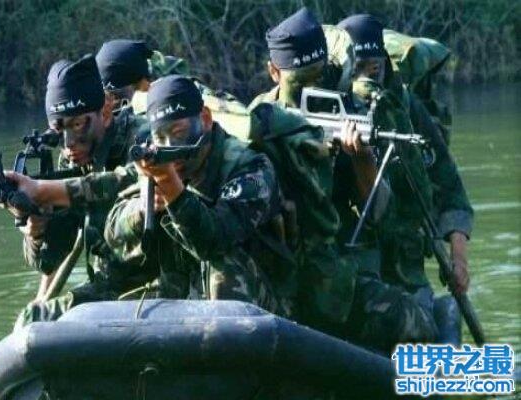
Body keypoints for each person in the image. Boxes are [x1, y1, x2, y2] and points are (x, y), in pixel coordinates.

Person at [251, 7, 437, 351]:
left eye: (320, 76)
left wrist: (361, 160)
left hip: (335, 271)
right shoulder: (258, 122)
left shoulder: (349, 112)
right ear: (274, 72)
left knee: (418, 323)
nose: (314, 88)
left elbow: (383, 218)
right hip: (278, 269)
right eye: (301, 82)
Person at [103, 75, 287, 314]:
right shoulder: (157, 162)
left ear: (205, 119)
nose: (170, 145)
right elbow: (112, 231)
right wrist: (142, 208)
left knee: (224, 268)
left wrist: (173, 191)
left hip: (261, 304)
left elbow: (214, 239)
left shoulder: (250, 167)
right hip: (183, 295)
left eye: (178, 132)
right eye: (160, 137)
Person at [337, 14, 473, 307]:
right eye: (357, 69)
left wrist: (459, 259)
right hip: (355, 268)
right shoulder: (330, 111)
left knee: (435, 313)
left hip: (408, 267)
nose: (366, 81)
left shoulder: (405, 107)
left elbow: (449, 186)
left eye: (373, 68)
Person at [8, 54, 144, 325]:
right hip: (110, 287)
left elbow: (135, 181)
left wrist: (49, 191)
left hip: (161, 284)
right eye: (59, 129)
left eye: (78, 124)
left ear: (105, 112)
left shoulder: (142, 138)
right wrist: (37, 231)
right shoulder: (73, 159)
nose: (69, 143)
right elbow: (50, 260)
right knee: (33, 319)